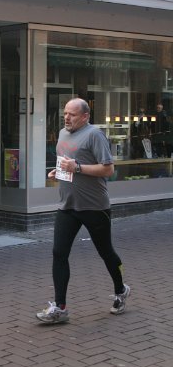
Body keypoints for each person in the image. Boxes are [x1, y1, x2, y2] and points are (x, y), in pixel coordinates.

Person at [36, 98, 130, 325]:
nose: (67, 118)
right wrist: (58, 172)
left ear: (85, 116)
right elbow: (66, 163)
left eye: (72, 114)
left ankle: (121, 290)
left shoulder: (94, 135)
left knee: (106, 252)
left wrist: (77, 167)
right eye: (65, 113)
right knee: (59, 253)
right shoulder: (62, 134)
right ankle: (60, 308)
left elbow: (108, 169)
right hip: (67, 205)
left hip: (94, 207)